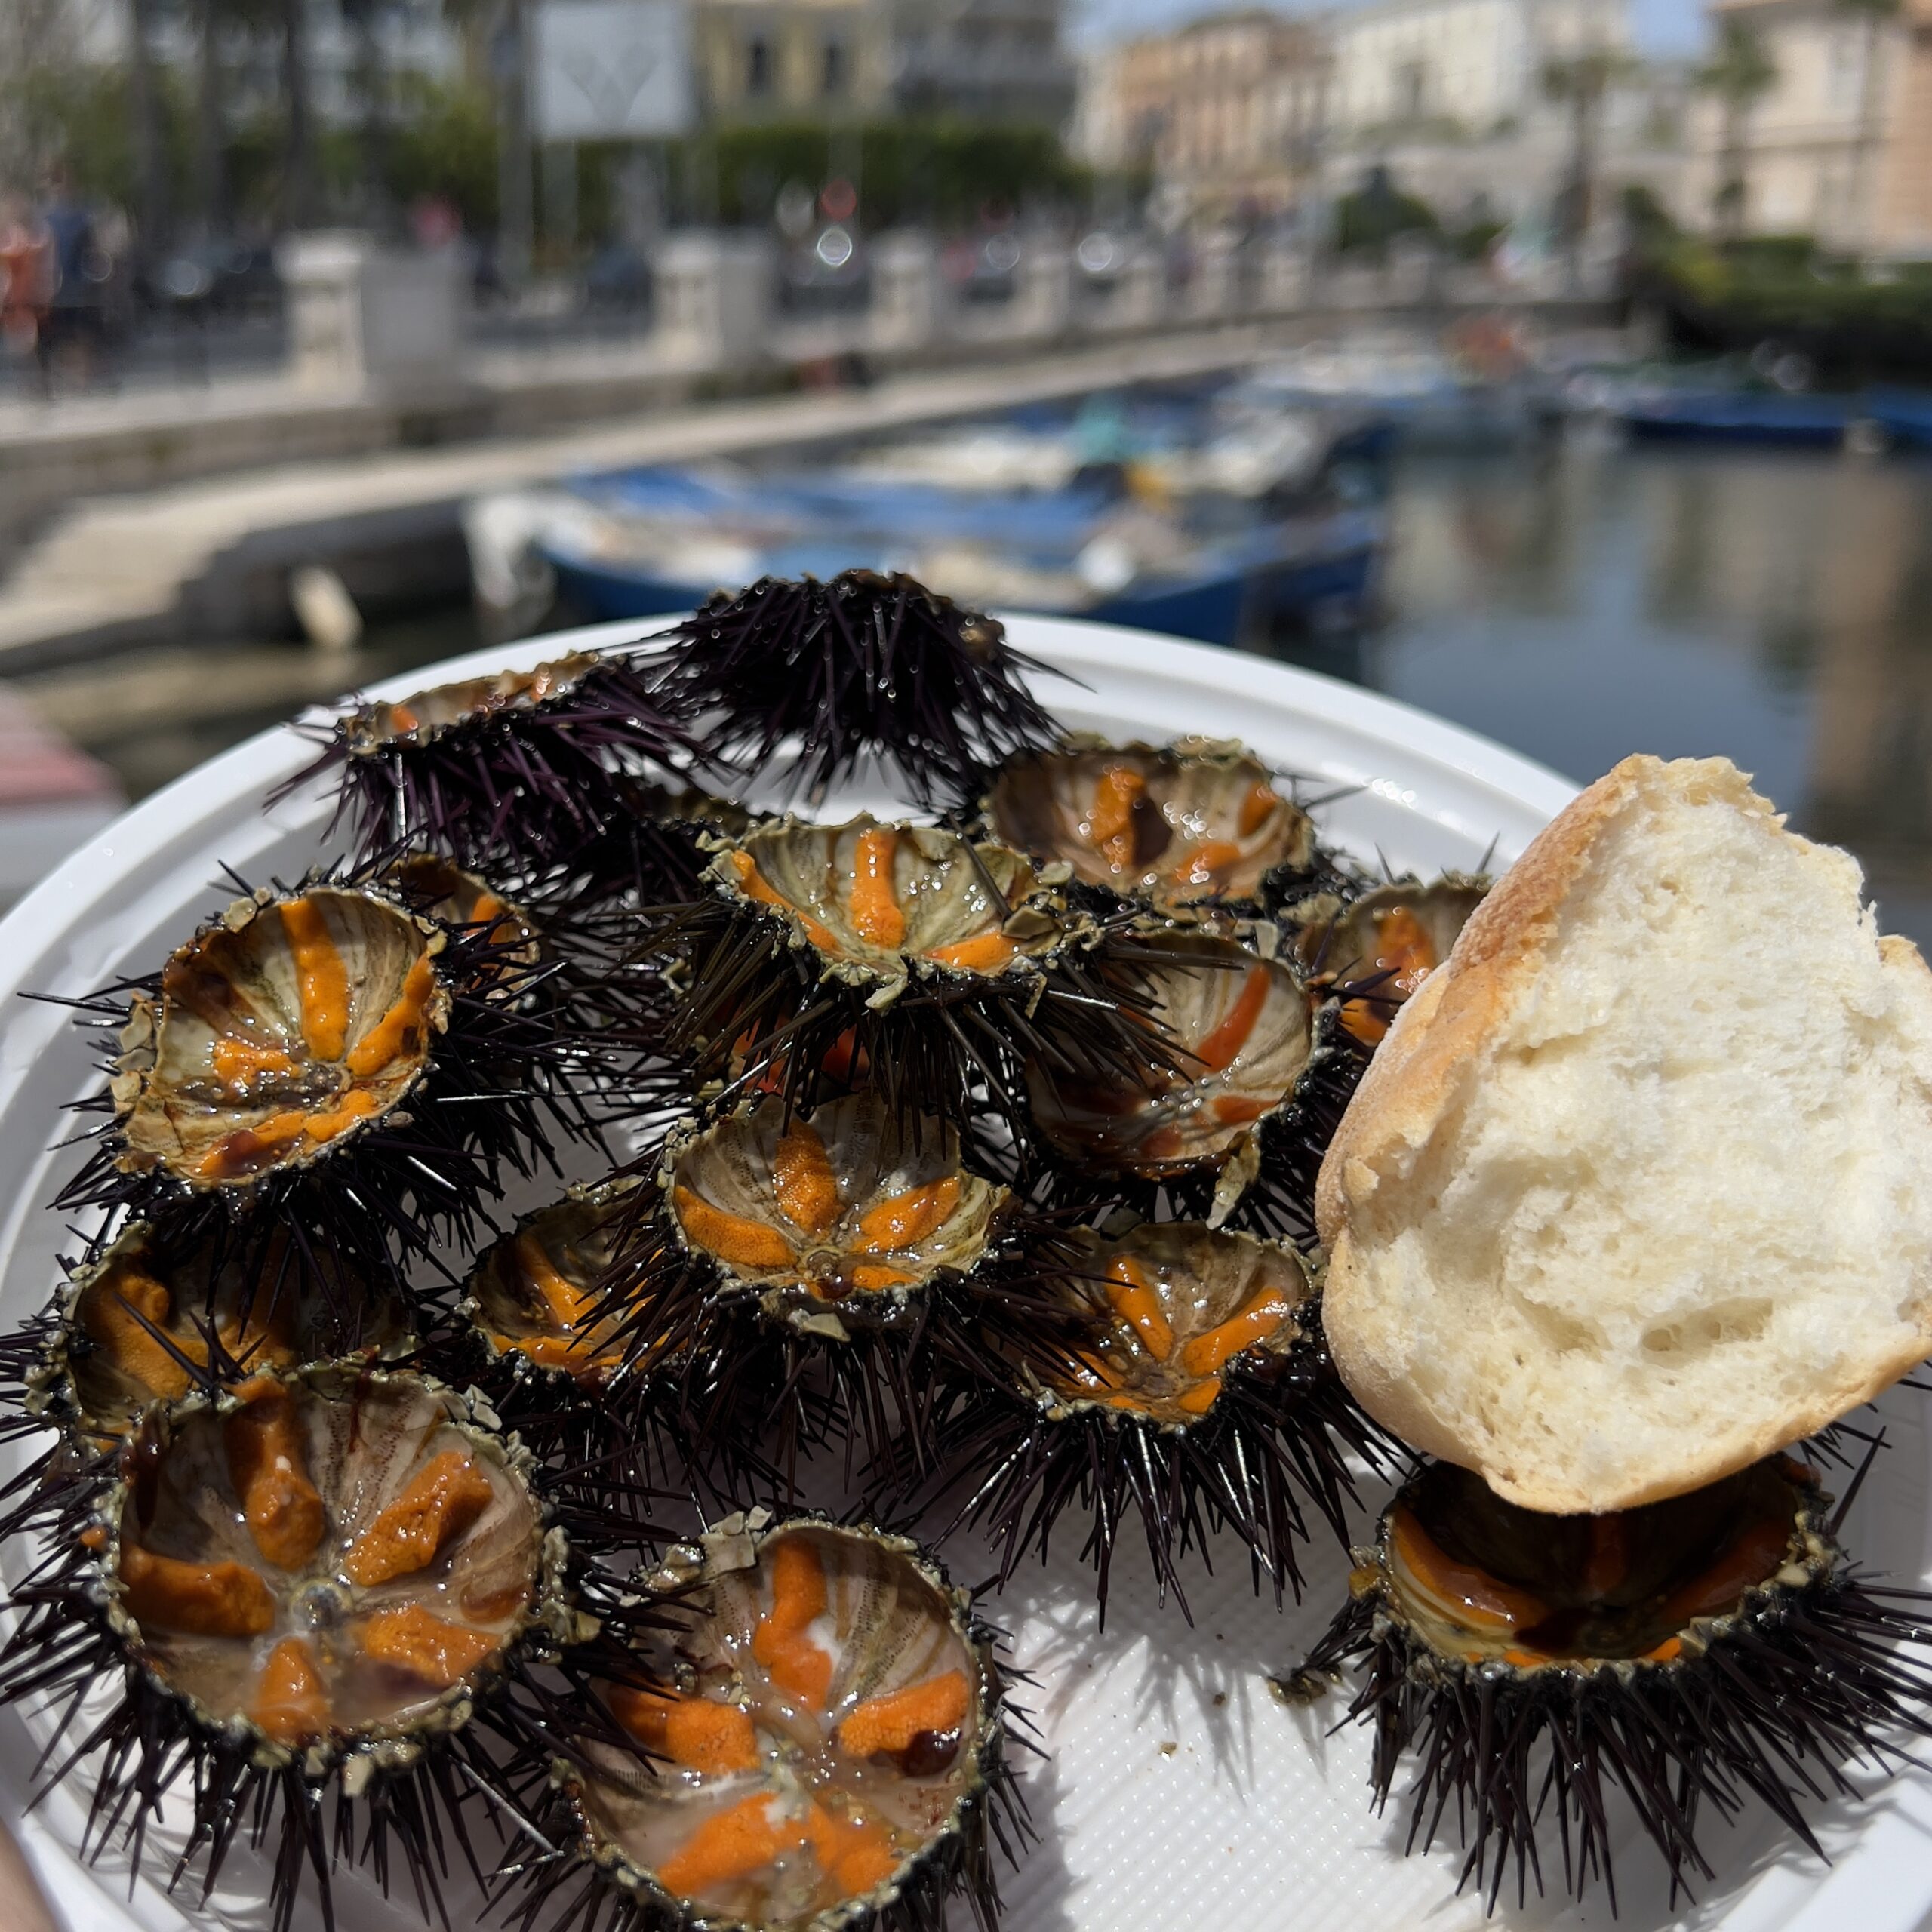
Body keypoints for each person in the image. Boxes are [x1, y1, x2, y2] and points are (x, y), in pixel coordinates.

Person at [35, 164, 105, 390]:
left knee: (82, 333)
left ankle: (83, 378)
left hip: (77, 285)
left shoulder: (83, 217)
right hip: (50, 287)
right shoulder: (43, 218)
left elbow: (92, 249)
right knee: (47, 337)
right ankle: (47, 380)